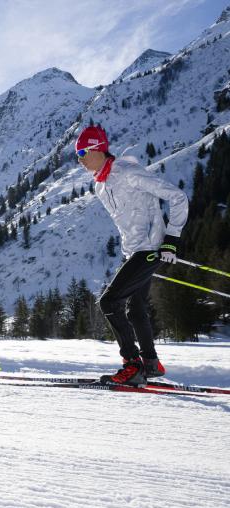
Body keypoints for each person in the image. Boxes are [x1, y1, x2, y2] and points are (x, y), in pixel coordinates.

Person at [75, 125, 188, 386]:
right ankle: (150, 363)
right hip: (133, 251)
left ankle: (132, 365)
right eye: (77, 154)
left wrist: (171, 239)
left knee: (109, 302)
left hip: (149, 249)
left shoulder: (128, 173)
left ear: (97, 149)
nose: (79, 159)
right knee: (135, 309)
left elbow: (178, 197)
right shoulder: (100, 186)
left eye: (82, 152)